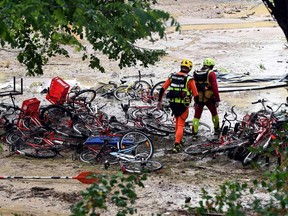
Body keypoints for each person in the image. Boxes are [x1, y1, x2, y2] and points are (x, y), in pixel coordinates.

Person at [157, 59, 198, 153]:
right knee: (180, 124)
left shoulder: (172, 76)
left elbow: (162, 89)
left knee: (177, 122)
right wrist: (196, 103)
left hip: (173, 104)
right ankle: (177, 144)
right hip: (183, 105)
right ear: (189, 68)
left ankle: (178, 140)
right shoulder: (189, 79)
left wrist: (159, 101)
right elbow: (195, 94)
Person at [192, 58, 220, 140]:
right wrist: (217, 99)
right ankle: (217, 130)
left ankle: (194, 134)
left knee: (196, 116)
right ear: (211, 66)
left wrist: (194, 99)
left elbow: (193, 86)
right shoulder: (211, 74)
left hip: (198, 98)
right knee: (214, 114)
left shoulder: (196, 73)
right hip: (209, 98)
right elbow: (215, 87)